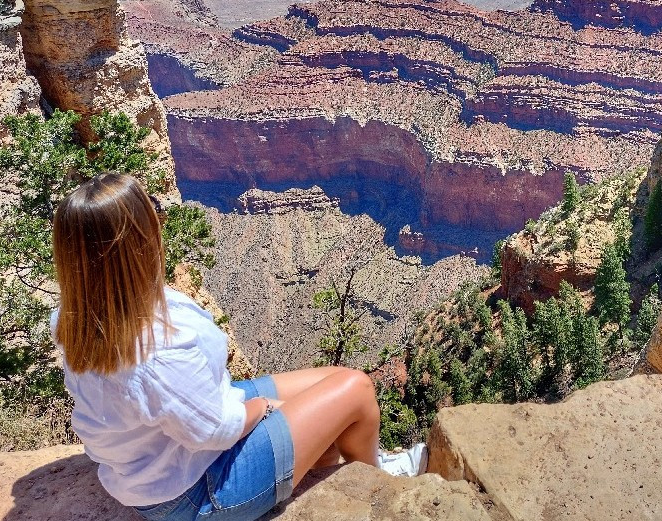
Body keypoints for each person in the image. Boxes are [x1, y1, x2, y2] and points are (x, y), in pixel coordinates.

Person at [51, 172, 426, 521]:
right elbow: (216, 430)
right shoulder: (155, 351)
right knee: (356, 389)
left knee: (333, 381)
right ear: (137, 243)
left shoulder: (80, 315)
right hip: (196, 493)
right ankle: (378, 482)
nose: (161, 218)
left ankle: (321, 466)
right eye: (153, 211)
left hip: (170, 455)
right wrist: (264, 408)